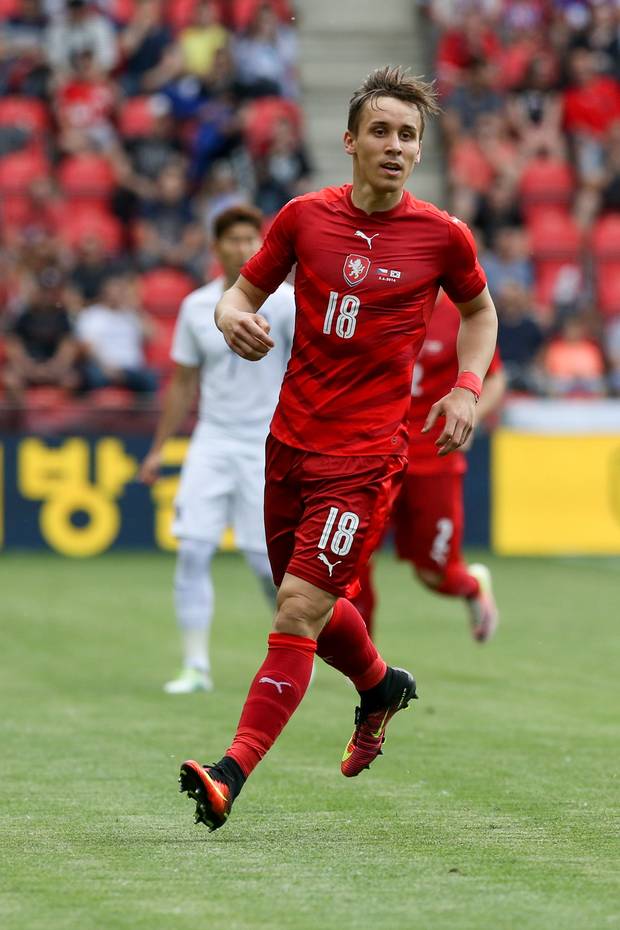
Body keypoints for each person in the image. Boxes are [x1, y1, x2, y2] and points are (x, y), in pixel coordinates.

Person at [178, 66, 498, 832]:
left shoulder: (442, 236)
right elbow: (240, 292)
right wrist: (229, 316)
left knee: (298, 609)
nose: (395, 146)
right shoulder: (303, 219)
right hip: (287, 446)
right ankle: (381, 687)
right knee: (314, 609)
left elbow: (481, 313)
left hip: (364, 458)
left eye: (408, 135)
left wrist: (466, 386)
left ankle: (228, 773)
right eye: (381, 131)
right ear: (350, 140)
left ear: (420, 150)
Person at [139, 205, 295, 693]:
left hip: (265, 444)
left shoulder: (287, 303)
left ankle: (297, 651)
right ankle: (195, 666)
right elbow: (183, 383)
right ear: (217, 248)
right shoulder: (196, 306)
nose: (243, 247)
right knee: (191, 550)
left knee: (266, 567)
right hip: (211, 440)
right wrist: (159, 448)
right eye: (233, 239)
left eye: (252, 238)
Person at [352, 292, 506, 642]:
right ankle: (360, 655)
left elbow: (495, 379)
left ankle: (472, 587)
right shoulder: (379, 301)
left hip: (434, 457)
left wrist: (472, 414)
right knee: (353, 564)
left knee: (433, 574)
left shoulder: (462, 313)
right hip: (374, 455)